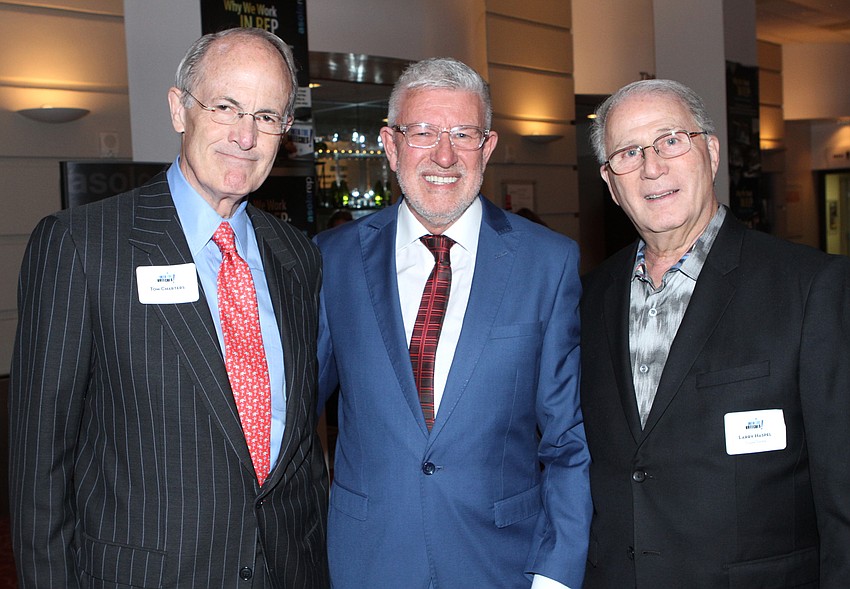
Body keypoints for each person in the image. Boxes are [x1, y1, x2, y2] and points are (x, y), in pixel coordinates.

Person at [9, 27, 329, 588]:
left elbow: (300, 449)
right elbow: (40, 466)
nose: (245, 136)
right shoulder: (83, 245)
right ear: (179, 109)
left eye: (266, 116)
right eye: (226, 106)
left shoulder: (296, 255)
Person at [316, 57, 591, 589]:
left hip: (502, 564)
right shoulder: (334, 259)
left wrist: (554, 574)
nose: (444, 155)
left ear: (487, 148)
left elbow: (567, 441)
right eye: (422, 132)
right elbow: (295, 414)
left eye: (463, 134)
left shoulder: (547, 263)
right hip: (366, 562)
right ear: (391, 145)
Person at [581, 78, 850, 587]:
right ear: (611, 183)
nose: (652, 167)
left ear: (711, 151)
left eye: (670, 141)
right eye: (629, 153)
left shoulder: (811, 287)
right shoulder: (585, 298)